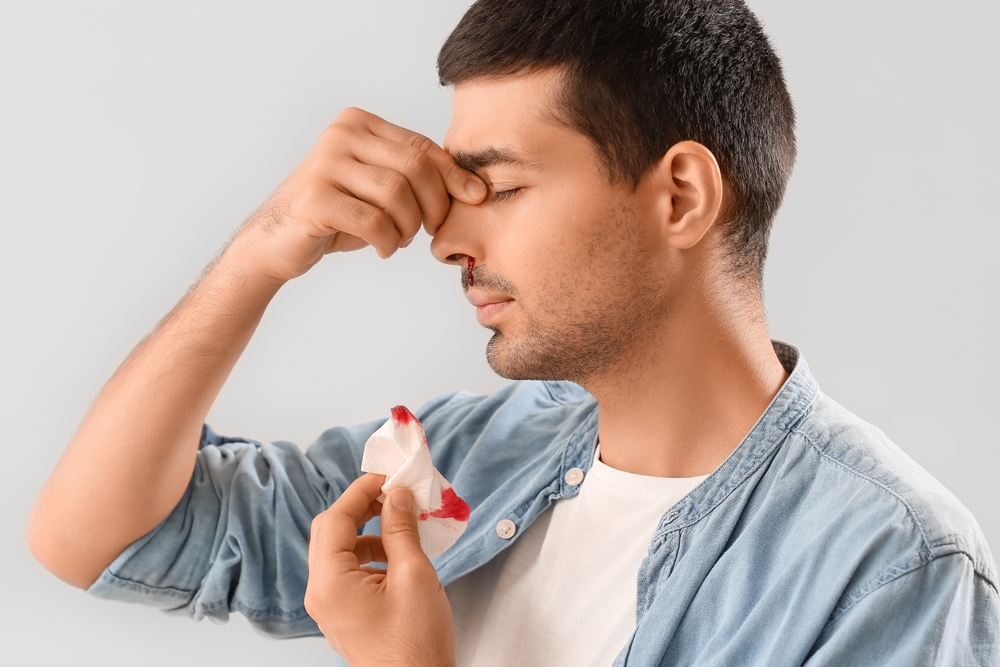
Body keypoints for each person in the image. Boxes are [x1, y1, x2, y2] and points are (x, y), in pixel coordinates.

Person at [26, 0, 999, 665]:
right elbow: (94, 534)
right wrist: (260, 254)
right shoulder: (479, 455)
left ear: (680, 195)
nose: (445, 234)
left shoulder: (881, 565)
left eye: (498, 188)